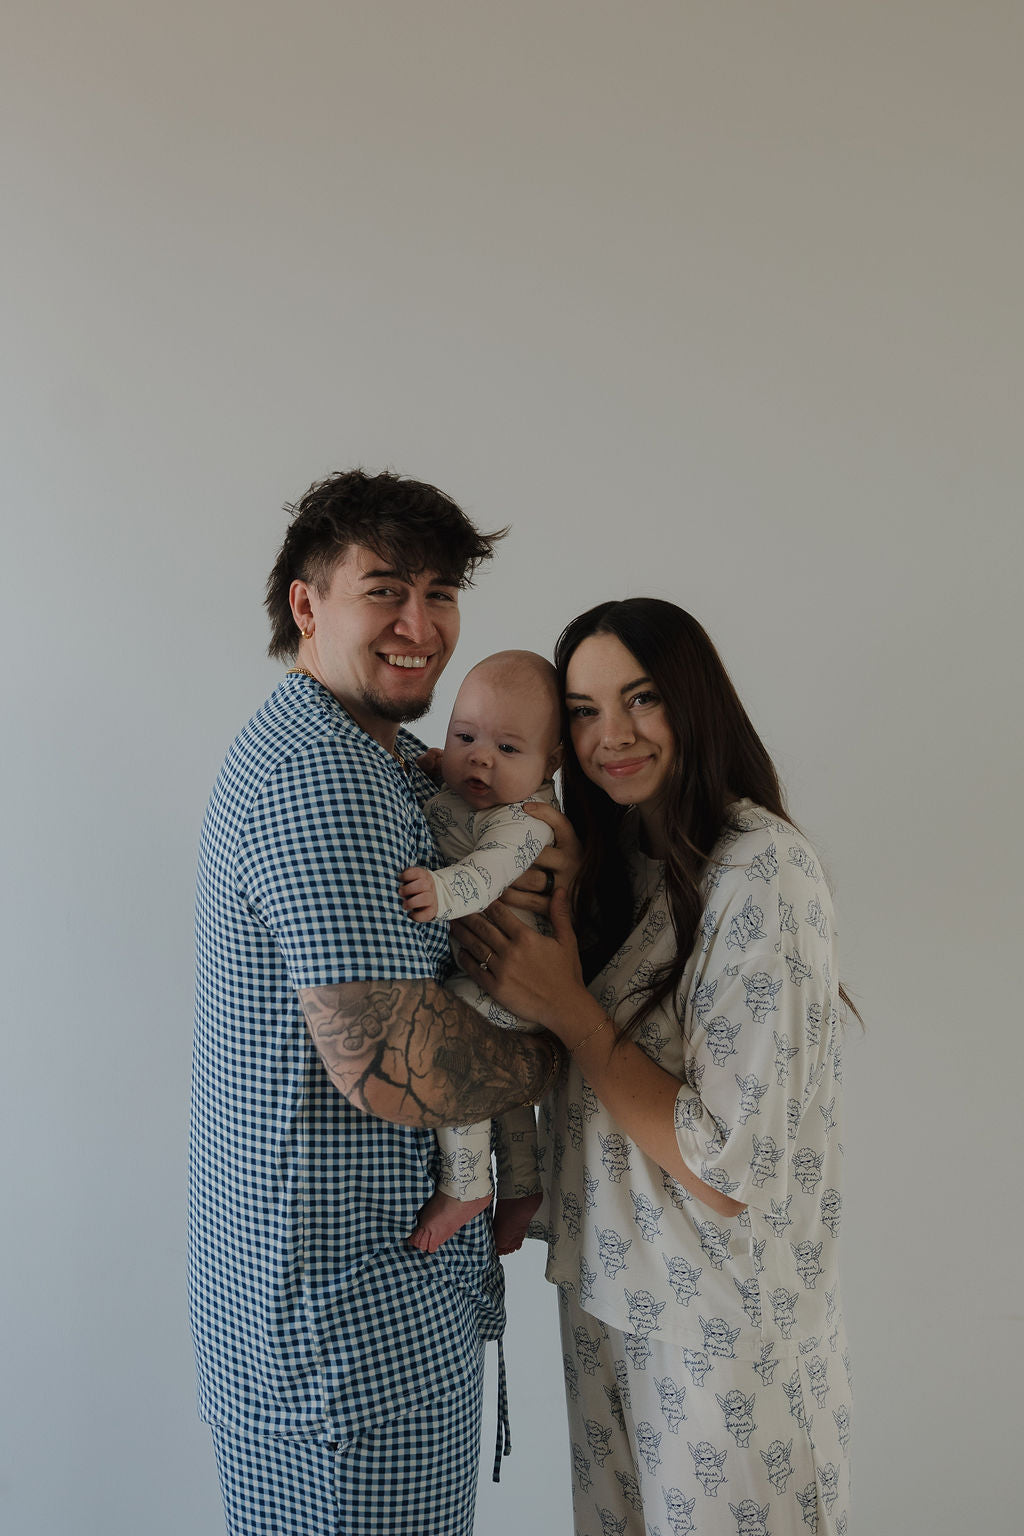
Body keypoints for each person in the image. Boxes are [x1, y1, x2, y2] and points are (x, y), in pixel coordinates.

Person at [189, 469, 562, 1536]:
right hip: (352, 1337)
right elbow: (395, 1069)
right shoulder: (329, 780)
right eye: (385, 590)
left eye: (440, 593)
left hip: (337, 1315)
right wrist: (564, 1035)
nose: (420, 624)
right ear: (307, 606)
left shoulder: (390, 761)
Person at [452, 598, 854, 1536]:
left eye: (642, 699)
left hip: (723, 1333)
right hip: (607, 1297)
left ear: (695, 701)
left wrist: (567, 1007)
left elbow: (727, 1169)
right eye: (585, 712)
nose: (613, 736)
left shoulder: (762, 874)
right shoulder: (615, 863)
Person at [398, 650, 563, 1256]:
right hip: (494, 978)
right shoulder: (471, 785)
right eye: (465, 735)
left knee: (455, 1041)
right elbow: (460, 775)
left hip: (519, 991)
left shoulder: (526, 821)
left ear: (551, 764)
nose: (481, 757)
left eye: (508, 750)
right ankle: (522, 1184)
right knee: (503, 1087)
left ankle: (467, 1182)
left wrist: (441, 891)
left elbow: (489, 875)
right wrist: (447, 763)